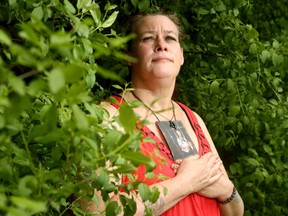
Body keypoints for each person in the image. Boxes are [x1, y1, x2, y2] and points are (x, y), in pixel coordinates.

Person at [81, 12, 244, 215]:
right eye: (148, 38)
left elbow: (235, 212)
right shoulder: (105, 119)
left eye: (170, 38)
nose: (161, 45)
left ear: (181, 56)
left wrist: (227, 190)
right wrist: (185, 182)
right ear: (128, 56)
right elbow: (95, 211)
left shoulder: (194, 119)